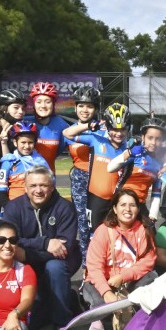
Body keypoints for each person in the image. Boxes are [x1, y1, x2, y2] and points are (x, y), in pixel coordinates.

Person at [2, 166, 80, 330]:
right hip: (29, 263)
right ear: (25, 187)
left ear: (52, 186)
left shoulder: (64, 208)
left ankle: (63, 322)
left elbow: (63, 248)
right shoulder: (14, 208)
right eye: (33, 185)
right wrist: (45, 242)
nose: (38, 190)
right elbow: (11, 240)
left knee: (54, 267)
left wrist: (28, 254)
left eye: (44, 185)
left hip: (61, 261)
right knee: (35, 322)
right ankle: (70, 299)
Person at [83, 189, 158, 330]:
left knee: (153, 276)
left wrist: (123, 276)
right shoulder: (103, 231)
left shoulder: (143, 230)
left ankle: (129, 309)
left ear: (138, 208)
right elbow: (94, 267)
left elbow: (148, 261)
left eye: (132, 205)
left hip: (127, 281)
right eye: (123, 205)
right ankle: (98, 315)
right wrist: (107, 293)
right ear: (115, 209)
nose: (128, 209)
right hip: (104, 280)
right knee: (100, 303)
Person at [64, 102, 130, 229]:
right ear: (107, 127)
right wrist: (87, 126)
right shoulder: (96, 139)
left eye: (123, 129)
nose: (118, 133)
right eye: (114, 129)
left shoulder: (129, 149)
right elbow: (67, 133)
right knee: (93, 236)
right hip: (95, 199)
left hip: (117, 201)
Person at [66, 85, 102, 263]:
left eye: (89, 106)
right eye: (81, 105)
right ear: (75, 108)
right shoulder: (69, 130)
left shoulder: (102, 130)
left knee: (98, 225)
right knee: (82, 225)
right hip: (79, 180)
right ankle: (86, 267)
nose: (85, 110)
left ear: (95, 109)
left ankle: (100, 265)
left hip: (100, 179)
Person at [108, 113, 166, 217]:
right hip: (121, 203)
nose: (153, 142)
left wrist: (153, 216)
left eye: (158, 139)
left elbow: (156, 193)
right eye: (150, 138)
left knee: (150, 232)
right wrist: (129, 153)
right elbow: (110, 168)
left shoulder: (159, 164)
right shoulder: (135, 153)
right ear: (143, 137)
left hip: (140, 206)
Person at [0, 121, 51, 209]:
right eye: (23, 142)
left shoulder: (41, 162)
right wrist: (10, 208)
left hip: (37, 207)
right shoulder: (8, 161)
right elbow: (1, 192)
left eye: (30, 142)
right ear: (15, 142)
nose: (27, 146)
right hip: (14, 206)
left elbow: (50, 187)